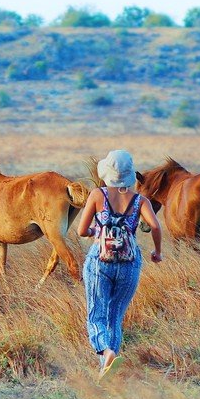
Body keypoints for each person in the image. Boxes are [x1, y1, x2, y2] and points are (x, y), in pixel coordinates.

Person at [76, 149, 163, 379]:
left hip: (99, 261)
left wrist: (97, 230)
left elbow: (81, 230)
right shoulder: (140, 200)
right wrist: (157, 252)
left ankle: (106, 353)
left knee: (96, 313)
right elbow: (155, 226)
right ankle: (110, 358)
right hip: (129, 263)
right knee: (115, 315)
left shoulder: (97, 195)